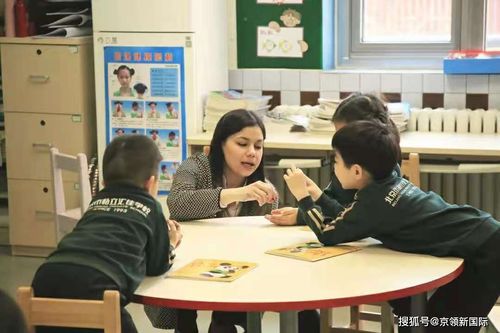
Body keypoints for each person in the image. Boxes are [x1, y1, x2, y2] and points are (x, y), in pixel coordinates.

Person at [284, 120, 500, 333]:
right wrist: (319, 195)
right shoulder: (391, 177)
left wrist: (303, 197)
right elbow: (350, 216)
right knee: (416, 318)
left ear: (357, 171)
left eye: (337, 162)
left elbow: (326, 233)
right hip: (483, 234)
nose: (334, 167)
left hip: (486, 252)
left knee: (437, 327)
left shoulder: (372, 204)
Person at [147, 109, 320, 333]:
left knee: (300, 311)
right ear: (221, 144)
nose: (252, 153)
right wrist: (237, 194)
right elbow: (178, 203)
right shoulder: (197, 166)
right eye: (242, 143)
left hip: (237, 272)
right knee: (185, 314)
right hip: (190, 266)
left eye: (258, 146)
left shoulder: (264, 190)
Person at [31, 135, 183, 333]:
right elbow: (157, 266)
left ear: (104, 181)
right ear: (151, 184)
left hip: (46, 277)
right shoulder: (150, 206)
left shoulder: (96, 203)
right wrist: (170, 243)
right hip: (98, 284)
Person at [267, 93, 400, 227]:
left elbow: (351, 219)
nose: (339, 144)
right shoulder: (348, 164)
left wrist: (305, 210)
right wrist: (306, 211)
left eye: (344, 135)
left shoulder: (385, 172)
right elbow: (333, 203)